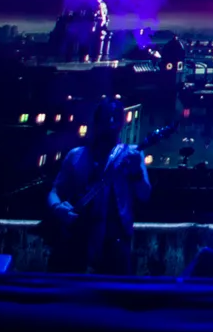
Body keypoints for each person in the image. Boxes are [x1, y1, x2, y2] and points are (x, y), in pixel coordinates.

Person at [45, 99, 151, 274]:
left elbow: (144, 194)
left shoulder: (132, 155)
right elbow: (55, 191)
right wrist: (58, 208)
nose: (111, 122)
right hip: (76, 242)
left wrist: (136, 172)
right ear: (96, 121)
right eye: (106, 117)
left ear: (122, 123)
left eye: (116, 117)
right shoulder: (75, 155)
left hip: (115, 244)